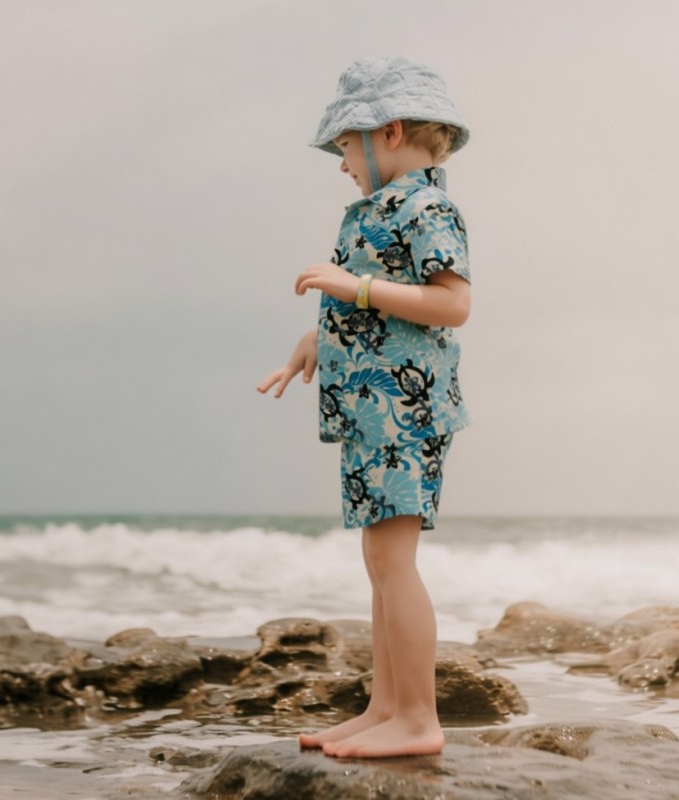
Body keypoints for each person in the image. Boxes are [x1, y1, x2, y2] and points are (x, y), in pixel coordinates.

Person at [257, 56, 472, 759]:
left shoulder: (426, 207)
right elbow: (371, 307)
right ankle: (387, 706)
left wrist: (353, 289)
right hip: (370, 411)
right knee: (380, 560)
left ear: (390, 132)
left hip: (406, 408)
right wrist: (313, 343)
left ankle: (418, 717)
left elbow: (452, 304)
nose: (343, 163)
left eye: (346, 146)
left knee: (392, 561)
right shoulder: (378, 211)